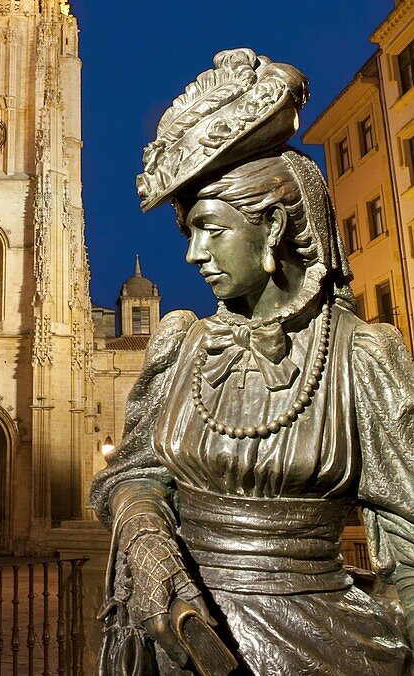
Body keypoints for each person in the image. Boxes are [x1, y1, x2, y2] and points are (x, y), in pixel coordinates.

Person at [91, 49, 414, 676]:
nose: (192, 256)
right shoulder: (181, 344)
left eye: (210, 229)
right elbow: (130, 475)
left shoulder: (361, 358)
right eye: (188, 233)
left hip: (324, 649)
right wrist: (151, 546)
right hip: (178, 645)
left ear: (271, 227)